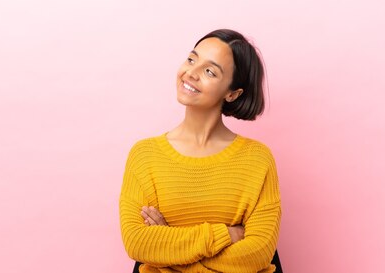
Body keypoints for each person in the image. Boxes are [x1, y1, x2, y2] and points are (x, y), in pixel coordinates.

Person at [119, 29, 281, 273]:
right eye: (192, 59)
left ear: (232, 93)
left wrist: (168, 246)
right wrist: (227, 234)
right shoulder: (144, 156)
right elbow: (137, 242)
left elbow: (257, 254)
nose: (191, 73)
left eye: (209, 71)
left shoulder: (257, 159)